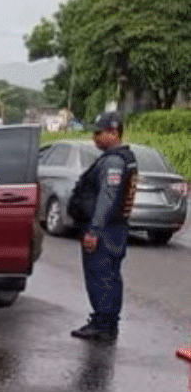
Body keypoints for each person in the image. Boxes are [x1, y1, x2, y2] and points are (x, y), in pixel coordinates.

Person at [69, 111, 137, 343]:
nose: (94, 137)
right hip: (115, 229)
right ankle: (106, 322)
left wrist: (94, 231)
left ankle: (103, 324)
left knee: (101, 277)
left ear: (113, 132)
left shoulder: (114, 162)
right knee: (109, 276)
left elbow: (106, 198)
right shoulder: (123, 158)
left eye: (99, 132)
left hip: (106, 230)